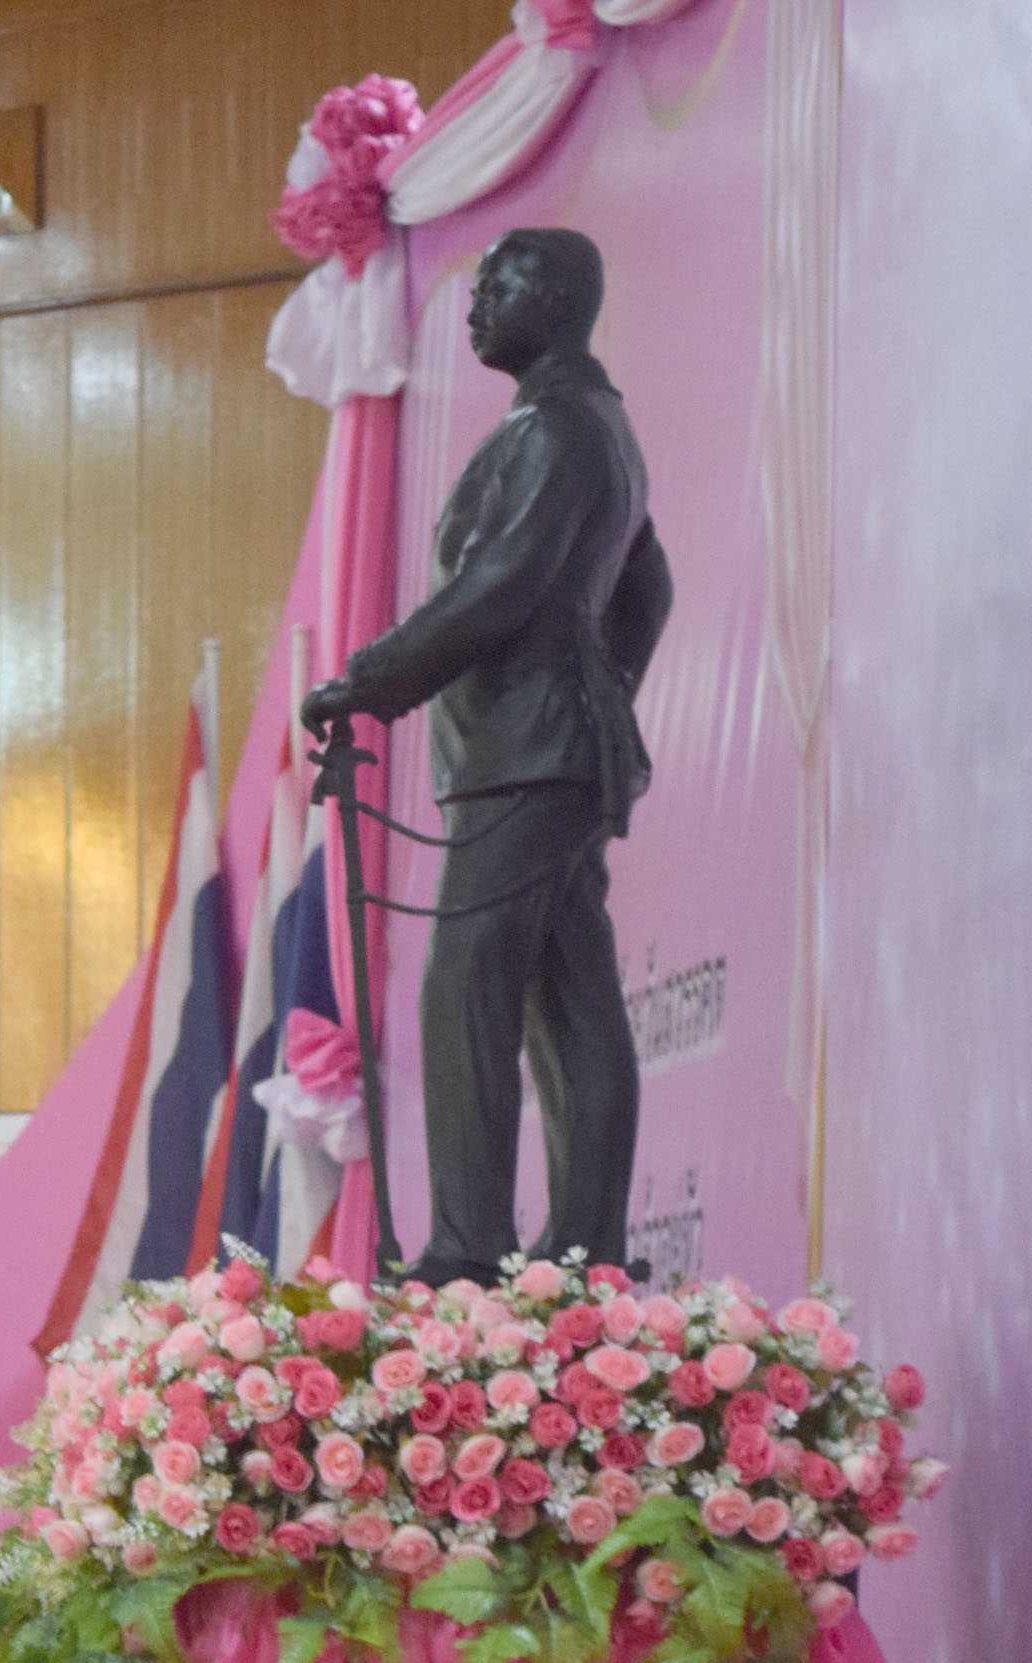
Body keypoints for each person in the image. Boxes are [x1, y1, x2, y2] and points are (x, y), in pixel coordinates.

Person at [302, 224, 669, 1284]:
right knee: (568, 994)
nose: (472, 307)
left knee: (467, 982)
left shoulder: (556, 428)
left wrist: (369, 680)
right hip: (545, 747)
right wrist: (599, 689)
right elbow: (648, 590)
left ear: (550, 299)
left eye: (495, 288)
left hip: (528, 751)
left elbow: (500, 583)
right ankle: (586, 1251)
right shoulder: (592, 426)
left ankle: (467, 1250)